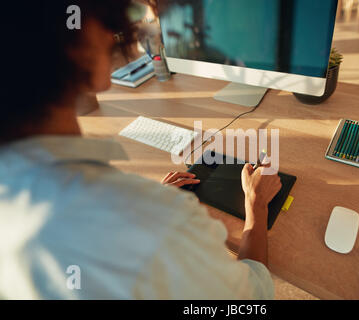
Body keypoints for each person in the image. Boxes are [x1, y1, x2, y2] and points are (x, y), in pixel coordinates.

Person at [0, 0, 281, 299]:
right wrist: (256, 204)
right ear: (76, 45)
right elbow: (252, 298)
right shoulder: (154, 222)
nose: (115, 32)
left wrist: (144, 207)